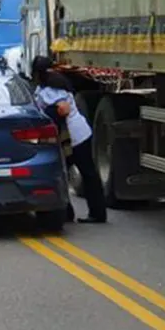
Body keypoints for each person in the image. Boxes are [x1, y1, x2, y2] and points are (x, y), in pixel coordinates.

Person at [31, 56, 107, 224]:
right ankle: (95, 212)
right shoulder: (57, 82)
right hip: (79, 133)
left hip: (72, 137)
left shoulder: (51, 87)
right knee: (87, 173)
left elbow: (63, 109)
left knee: (67, 172)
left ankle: (76, 213)